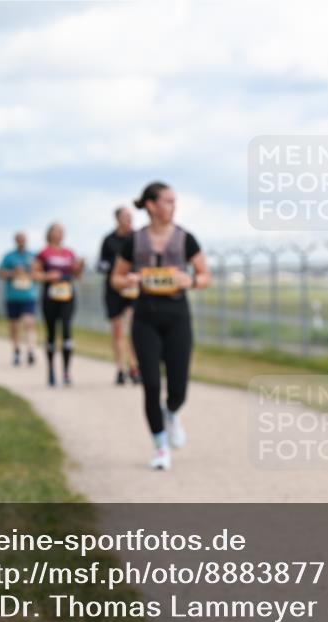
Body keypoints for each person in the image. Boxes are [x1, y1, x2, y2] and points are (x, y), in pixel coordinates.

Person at [111, 182, 211, 471]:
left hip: (177, 316)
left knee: (178, 387)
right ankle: (160, 446)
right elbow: (116, 279)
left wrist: (190, 281)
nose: (173, 206)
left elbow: (205, 276)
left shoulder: (185, 239)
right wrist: (127, 281)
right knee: (151, 384)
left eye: (174, 202)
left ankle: (172, 412)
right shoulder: (134, 241)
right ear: (152, 205)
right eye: (168, 201)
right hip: (145, 318)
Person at [34, 222, 85, 386]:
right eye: (56, 231)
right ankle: (50, 371)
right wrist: (48, 276)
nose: (59, 234)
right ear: (50, 233)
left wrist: (80, 267)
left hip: (67, 296)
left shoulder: (69, 253)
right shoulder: (43, 253)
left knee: (66, 329)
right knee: (51, 332)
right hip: (50, 296)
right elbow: (35, 274)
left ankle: (66, 372)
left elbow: (77, 275)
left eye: (62, 231)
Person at [99, 206, 140, 385]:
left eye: (130, 217)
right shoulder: (109, 240)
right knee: (117, 330)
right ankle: (120, 368)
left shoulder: (138, 237)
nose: (129, 220)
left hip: (133, 288)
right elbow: (101, 265)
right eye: (125, 217)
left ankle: (135, 366)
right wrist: (114, 266)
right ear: (117, 219)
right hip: (114, 289)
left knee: (134, 328)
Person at [0, 232, 39, 367]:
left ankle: (31, 350)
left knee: (29, 322)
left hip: (29, 295)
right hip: (13, 296)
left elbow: (39, 272)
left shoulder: (33, 256)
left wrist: (30, 273)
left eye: (24, 239)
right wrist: (13, 273)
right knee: (14, 326)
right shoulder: (9, 257)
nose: (22, 241)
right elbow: (1, 273)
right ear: (16, 241)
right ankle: (16, 350)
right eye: (19, 239)